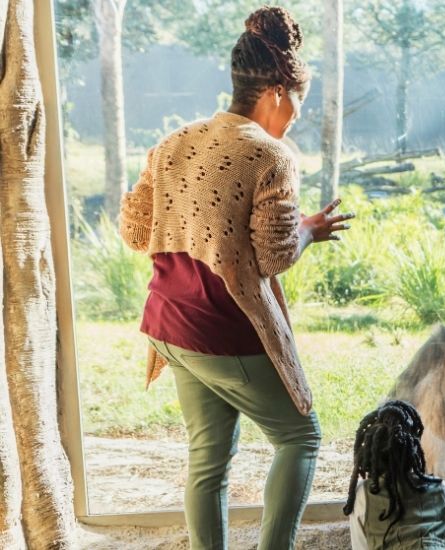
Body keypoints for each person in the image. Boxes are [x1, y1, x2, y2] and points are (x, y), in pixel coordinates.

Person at [119, 7, 353, 549]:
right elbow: (272, 258)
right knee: (300, 438)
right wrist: (309, 234)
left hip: (167, 326)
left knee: (208, 457)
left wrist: (294, 226)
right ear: (276, 92)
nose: (296, 114)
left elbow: (136, 231)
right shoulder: (269, 154)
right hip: (222, 330)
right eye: (298, 101)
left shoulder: (174, 142)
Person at [344, 400, 445, 550]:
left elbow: (360, 546)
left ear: (370, 454)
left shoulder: (363, 495)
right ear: (413, 451)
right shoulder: (437, 490)